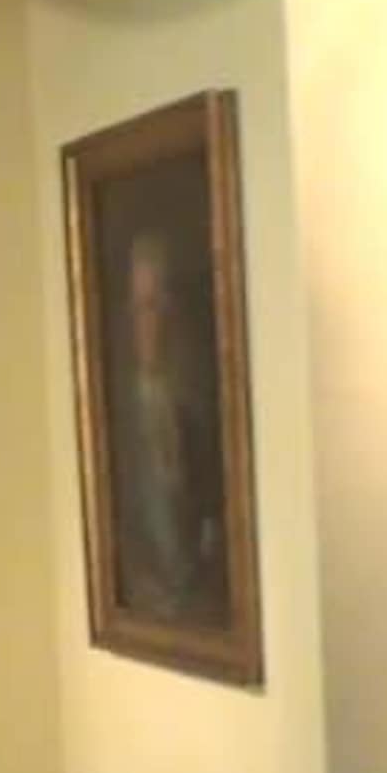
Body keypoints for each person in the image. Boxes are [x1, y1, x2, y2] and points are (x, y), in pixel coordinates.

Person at [109, 231, 228, 626]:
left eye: (160, 305)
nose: (152, 321)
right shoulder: (116, 418)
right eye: (143, 307)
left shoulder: (198, 406)